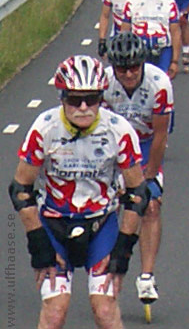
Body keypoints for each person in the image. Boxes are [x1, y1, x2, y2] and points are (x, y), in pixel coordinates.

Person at [9, 55, 146, 329]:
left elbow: (136, 194)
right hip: (54, 224)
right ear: (62, 98)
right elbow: (21, 190)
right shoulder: (45, 127)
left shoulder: (118, 130)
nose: (83, 107)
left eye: (92, 99)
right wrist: (38, 242)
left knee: (105, 311)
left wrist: (124, 248)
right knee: (55, 312)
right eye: (74, 100)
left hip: (101, 224)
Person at [104, 33, 174, 309]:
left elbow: (160, 136)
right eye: (123, 69)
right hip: (111, 149)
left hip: (145, 146)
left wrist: (149, 175)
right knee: (110, 207)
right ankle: (107, 266)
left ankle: (146, 276)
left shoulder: (160, 84)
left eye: (135, 67)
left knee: (150, 205)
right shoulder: (105, 83)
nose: (129, 74)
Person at [121, 0, 181, 78]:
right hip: (139, 50)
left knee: (161, 81)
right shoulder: (132, 2)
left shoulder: (168, 2)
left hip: (163, 50)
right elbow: (125, 31)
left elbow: (175, 32)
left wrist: (174, 61)